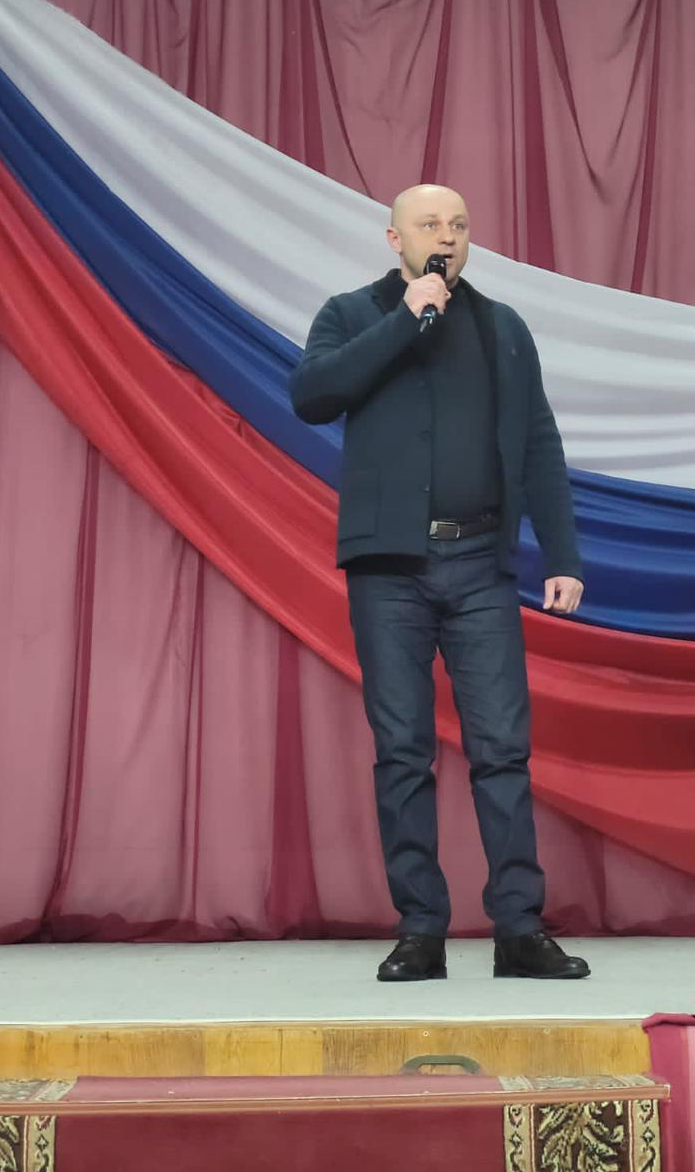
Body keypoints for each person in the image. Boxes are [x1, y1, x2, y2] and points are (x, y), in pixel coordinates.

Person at [290, 185, 589, 982]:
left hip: (481, 564)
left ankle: (519, 930)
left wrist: (562, 555)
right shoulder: (351, 315)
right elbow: (312, 395)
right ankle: (420, 930)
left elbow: (539, 443)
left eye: (458, 224)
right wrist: (406, 319)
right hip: (389, 571)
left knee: (502, 749)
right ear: (396, 239)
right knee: (402, 751)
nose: (446, 236)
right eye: (430, 225)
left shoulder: (501, 327)